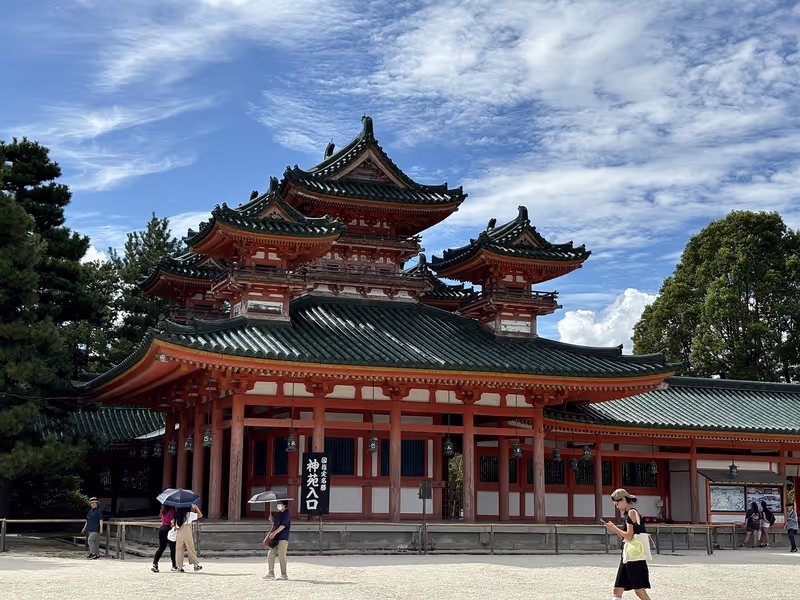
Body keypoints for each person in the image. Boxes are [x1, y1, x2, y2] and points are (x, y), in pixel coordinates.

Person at [604, 489, 651, 600]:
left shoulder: (631, 513)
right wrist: (615, 529)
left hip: (634, 557)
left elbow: (629, 536)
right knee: (617, 590)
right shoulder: (629, 513)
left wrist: (614, 527)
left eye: (617, 504)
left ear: (623, 500)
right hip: (628, 556)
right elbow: (627, 537)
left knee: (639, 590)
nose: (617, 507)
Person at [263, 500, 291, 581]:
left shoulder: (286, 514)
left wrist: (274, 533)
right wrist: (272, 520)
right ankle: (271, 573)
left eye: (280, 504)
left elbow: (283, 526)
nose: (279, 506)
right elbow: (276, 525)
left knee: (282, 556)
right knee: (270, 554)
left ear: (285, 505)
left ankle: (284, 574)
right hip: (275, 538)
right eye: (278, 504)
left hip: (283, 537)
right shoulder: (279, 514)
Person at [174, 504, 203, 572]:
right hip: (187, 533)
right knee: (190, 549)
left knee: (179, 550)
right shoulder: (189, 514)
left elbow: (173, 524)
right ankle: (195, 565)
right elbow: (200, 515)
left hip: (179, 533)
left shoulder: (176, 515)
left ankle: (179, 566)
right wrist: (196, 508)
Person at [151, 503, 177, 573]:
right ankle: (174, 565)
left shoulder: (162, 510)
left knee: (161, 547)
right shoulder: (171, 510)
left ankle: (155, 563)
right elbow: (172, 521)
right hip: (168, 529)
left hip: (162, 528)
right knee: (173, 548)